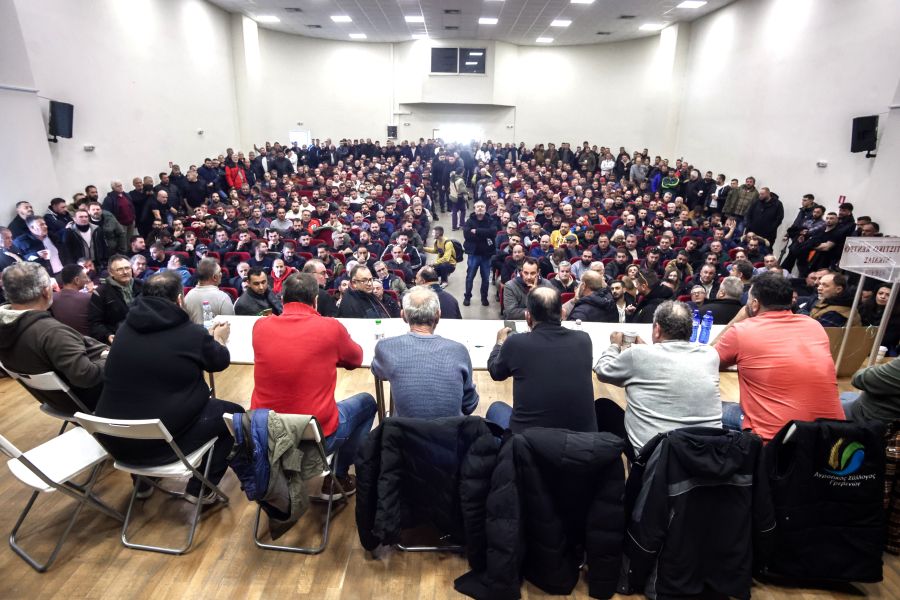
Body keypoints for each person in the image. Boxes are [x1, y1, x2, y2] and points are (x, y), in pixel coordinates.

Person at [93, 271, 243, 504]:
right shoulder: (190, 333)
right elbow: (219, 361)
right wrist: (219, 338)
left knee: (140, 405)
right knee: (234, 417)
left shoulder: (123, 330)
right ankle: (201, 489)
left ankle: (143, 483)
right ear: (179, 299)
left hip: (115, 442)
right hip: (161, 446)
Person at [250, 272, 376, 497]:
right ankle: (338, 475)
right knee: (367, 403)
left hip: (268, 437)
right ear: (315, 300)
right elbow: (355, 359)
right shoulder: (330, 327)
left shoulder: (260, 326)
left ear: (282, 299)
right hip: (316, 438)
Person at [713, 273, 844, 441]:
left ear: (754, 304)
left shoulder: (742, 330)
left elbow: (708, 360)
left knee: (707, 408)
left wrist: (739, 318)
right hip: (831, 439)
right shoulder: (814, 325)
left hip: (775, 444)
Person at [593, 300, 722, 455]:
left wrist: (614, 345)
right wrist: (648, 349)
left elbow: (602, 371)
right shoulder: (710, 355)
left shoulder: (637, 355)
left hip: (655, 458)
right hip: (706, 454)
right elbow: (673, 363)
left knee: (602, 407)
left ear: (657, 329)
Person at [486, 287, 597, 432]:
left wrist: (500, 343)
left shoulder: (516, 343)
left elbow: (495, 372)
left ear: (528, 317)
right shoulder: (584, 340)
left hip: (527, 442)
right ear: (563, 314)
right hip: (582, 442)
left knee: (496, 408)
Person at [0, 261, 107, 411]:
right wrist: (109, 358)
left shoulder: (6, 326)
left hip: (58, 402)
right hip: (94, 402)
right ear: (46, 291)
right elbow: (86, 377)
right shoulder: (51, 333)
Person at [371, 286, 477, 418]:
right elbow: (469, 404)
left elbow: (378, 372)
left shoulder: (385, 347)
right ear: (438, 315)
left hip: (403, 430)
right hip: (450, 430)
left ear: (403, 316)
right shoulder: (459, 351)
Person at [89, 254, 142, 344]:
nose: (125, 272)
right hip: (119, 337)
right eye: (119, 269)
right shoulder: (101, 292)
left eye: (127, 268)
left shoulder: (141, 285)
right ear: (111, 273)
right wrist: (107, 335)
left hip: (143, 331)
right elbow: (95, 323)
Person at [840, 358, 900, 423]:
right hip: (876, 412)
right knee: (848, 394)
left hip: (868, 418)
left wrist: (876, 368)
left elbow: (858, 379)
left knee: (832, 408)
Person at [463, 200, 498, 307]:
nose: (480, 208)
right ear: (474, 209)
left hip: (486, 255)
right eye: (478, 206)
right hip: (473, 254)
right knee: (470, 277)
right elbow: (467, 235)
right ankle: (467, 297)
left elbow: (493, 232)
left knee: (485, 279)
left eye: (482, 206)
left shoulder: (490, 220)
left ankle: (484, 298)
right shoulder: (469, 221)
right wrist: (485, 234)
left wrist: (477, 231)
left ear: (485, 209)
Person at [183, 258, 235, 324]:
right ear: (214, 277)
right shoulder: (223, 297)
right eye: (219, 272)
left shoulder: (188, 296)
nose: (221, 274)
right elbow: (230, 325)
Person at [49, 263, 93, 335]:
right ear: (77, 280)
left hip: (63, 337)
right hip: (87, 339)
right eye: (85, 277)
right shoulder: (88, 298)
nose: (87, 279)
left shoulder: (52, 298)